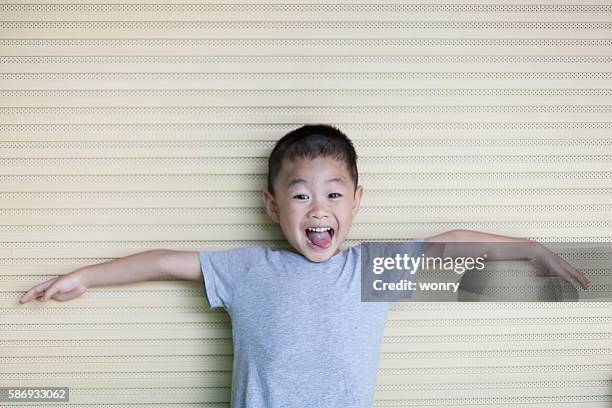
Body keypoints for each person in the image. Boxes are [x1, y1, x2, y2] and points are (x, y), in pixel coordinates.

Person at [18, 124, 590, 407]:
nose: (318, 209)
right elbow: (166, 262)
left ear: (357, 201)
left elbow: (454, 244)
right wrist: (87, 275)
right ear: (272, 206)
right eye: (300, 195)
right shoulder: (249, 270)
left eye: (334, 194)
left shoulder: (373, 266)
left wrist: (530, 248)